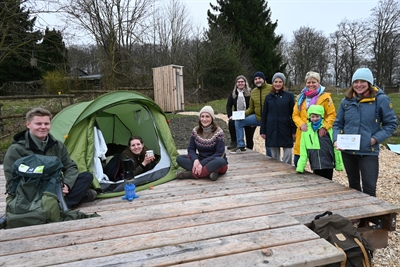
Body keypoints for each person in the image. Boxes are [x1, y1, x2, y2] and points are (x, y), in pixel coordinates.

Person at [3, 107, 96, 209]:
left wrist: (66, 185)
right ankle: (63, 205)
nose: (43, 127)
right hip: (31, 190)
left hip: (56, 186)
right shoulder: (16, 149)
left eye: (46, 124)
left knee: (86, 176)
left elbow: (70, 166)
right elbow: (12, 180)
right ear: (28, 125)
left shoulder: (58, 145)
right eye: (38, 124)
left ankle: (55, 205)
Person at [333, 68, 398, 197]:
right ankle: (358, 215)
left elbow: (391, 124)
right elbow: (337, 124)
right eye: (356, 81)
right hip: (348, 151)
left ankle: (371, 216)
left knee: (369, 187)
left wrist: (374, 139)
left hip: (368, 151)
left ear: (369, 83)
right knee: (353, 185)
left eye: (363, 81)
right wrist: (336, 139)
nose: (359, 85)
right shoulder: (346, 101)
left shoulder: (381, 100)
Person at [292, 71, 336, 167]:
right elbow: (295, 115)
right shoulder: (301, 98)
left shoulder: (325, 98)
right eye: (308, 82)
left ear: (318, 83)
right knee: (298, 161)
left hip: (319, 133)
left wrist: (324, 127)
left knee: (320, 163)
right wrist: (301, 124)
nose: (311, 84)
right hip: (304, 132)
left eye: (313, 82)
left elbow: (331, 114)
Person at [176, 106, 228, 181]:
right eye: (202, 116)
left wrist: (201, 164)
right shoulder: (195, 131)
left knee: (220, 161)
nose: (204, 119)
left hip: (214, 161)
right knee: (179, 159)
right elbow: (191, 149)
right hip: (201, 159)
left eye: (207, 116)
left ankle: (191, 174)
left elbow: (219, 153)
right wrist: (195, 160)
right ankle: (210, 172)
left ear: (212, 118)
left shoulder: (219, 132)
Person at [230, 71, 272, 156]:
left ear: (263, 79)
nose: (257, 80)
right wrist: (241, 115)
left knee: (269, 143)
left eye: (259, 78)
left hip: (269, 119)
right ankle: (241, 145)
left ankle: (270, 157)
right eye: (255, 79)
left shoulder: (271, 88)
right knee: (238, 122)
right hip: (257, 117)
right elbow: (251, 108)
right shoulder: (253, 92)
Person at [296, 105, 344, 179]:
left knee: (328, 180)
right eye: (312, 116)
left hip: (328, 161)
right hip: (315, 162)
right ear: (309, 117)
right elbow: (303, 150)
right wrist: (300, 166)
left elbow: (335, 148)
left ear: (321, 116)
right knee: (317, 180)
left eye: (317, 116)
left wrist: (339, 164)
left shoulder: (328, 129)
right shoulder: (306, 130)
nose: (315, 119)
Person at [260, 73, 296, 164]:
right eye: (276, 81)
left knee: (288, 151)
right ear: (272, 83)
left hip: (285, 127)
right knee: (274, 156)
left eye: (280, 82)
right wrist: (263, 130)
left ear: (283, 83)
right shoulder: (268, 97)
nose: (277, 84)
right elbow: (264, 114)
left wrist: (294, 130)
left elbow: (293, 114)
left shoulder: (289, 96)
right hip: (271, 127)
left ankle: (287, 170)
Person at [226, 75, 256, 150]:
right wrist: (230, 115)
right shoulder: (233, 93)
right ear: (236, 83)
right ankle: (234, 142)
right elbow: (228, 105)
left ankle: (250, 150)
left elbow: (255, 106)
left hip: (248, 115)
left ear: (245, 83)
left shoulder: (251, 93)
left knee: (249, 136)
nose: (240, 83)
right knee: (231, 122)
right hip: (237, 115)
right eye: (238, 82)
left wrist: (253, 119)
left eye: (242, 81)